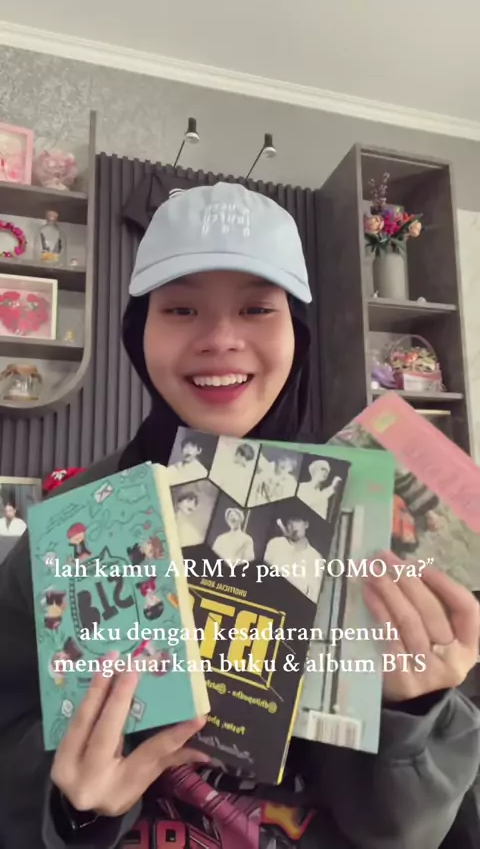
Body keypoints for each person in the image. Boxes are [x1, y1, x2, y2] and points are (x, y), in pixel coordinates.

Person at [0, 181, 479, 849]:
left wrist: (416, 715)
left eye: (257, 308)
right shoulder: (75, 521)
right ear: (138, 333)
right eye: (181, 308)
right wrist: (73, 809)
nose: (221, 339)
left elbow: (417, 831)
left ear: (298, 332)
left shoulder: (373, 525)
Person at [264, 515, 322, 601]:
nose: (293, 525)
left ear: (306, 524)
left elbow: (313, 596)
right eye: (289, 522)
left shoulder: (316, 558)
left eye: (297, 520)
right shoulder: (275, 544)